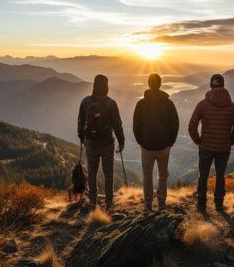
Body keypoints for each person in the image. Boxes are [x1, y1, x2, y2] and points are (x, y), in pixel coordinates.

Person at [188, 74, 234, 212]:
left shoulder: (202, 104)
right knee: (220, 175)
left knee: (203, 175)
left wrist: (198, 140)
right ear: (223, 85)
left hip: (205, 146)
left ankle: (201, 203)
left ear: (210, 85)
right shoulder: (232, 107)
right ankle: (218, 204)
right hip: (224, 148)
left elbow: (192, 125)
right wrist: (230, 142)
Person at [77, 74, 125, 210]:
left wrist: (82, 138)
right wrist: (121, 141)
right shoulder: (111, 103)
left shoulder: (85, 102)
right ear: (106, 86)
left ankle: (93, 201)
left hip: (90, 143)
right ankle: (109, 202)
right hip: (107, 143)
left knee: (92, 172)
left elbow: (80, 122)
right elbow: (117, 124)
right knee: (108, 173)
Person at [133, 73, 179, 211]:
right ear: (160, 84)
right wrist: (170, 142)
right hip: (164, 146)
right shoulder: (168, 103)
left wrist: (141, 141)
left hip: (146, 146)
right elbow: (175, 124)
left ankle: (148, 204)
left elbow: (136, 125)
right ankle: (161, 202)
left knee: (147, 176)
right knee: (163, 175)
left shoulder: (141, 104)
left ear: (148, 84)